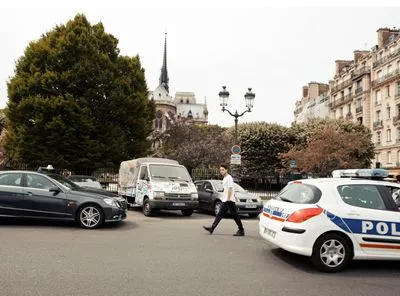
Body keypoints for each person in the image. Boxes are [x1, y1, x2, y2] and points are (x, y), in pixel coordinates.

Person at [202, 164, 245, 237]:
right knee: (220, 214)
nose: (221, 171)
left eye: (223, 170)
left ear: (226, 170)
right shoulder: (225, 178)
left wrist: (228, 198)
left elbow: (230, 188)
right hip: (225, 200)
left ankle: (241, 230)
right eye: (220, 170)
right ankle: (212, 228)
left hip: (229, 200)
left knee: (234, 215)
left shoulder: (229, 178)